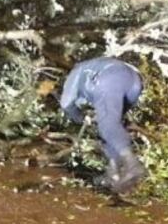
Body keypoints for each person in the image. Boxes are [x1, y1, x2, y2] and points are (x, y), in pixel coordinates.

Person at [60, 56, 146, 193]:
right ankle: (113, 172)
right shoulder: (91, 66)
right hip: (133, 83)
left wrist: (79, 118)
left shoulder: (76, 73)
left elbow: (66, 104)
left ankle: (132, 164)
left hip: (110, 78)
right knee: (111, 126)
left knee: (107, 125)